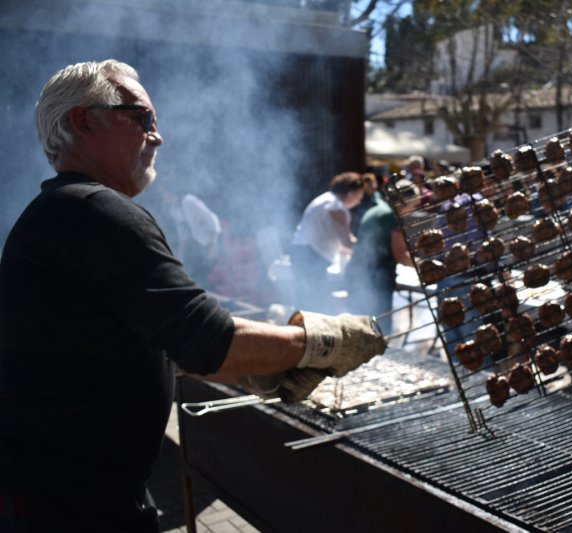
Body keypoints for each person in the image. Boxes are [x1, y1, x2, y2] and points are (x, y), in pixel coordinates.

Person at [0, 60, 386, 532]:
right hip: (74, 503)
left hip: (58, 489)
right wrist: (322, 342)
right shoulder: (96, 209)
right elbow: (204, 336)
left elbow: (154, 342)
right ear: (84, 121)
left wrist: (259, 370)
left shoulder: (60, 210)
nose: (157, 137)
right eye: (142, 118)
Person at [346, 179, 418, 332]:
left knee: (358, 326)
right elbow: (400, 255)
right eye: (413, 205)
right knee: (379, 328)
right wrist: (420, 266)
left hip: (357, 272)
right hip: (375, 278)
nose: (412, 210)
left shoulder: (377, 210)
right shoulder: (393, 218)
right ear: (405, 203)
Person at [290, 171, 364, 312]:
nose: (359, 201)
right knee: (313, 301)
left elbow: (331, 237)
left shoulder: (325, 199)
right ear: (350, 192)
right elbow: (346, 241)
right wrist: (365, 248)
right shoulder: (336, 207)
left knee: (305, 299)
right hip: (310, 255)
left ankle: (302, 330)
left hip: (303, 251)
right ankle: (306, 332)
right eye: (359, 195)